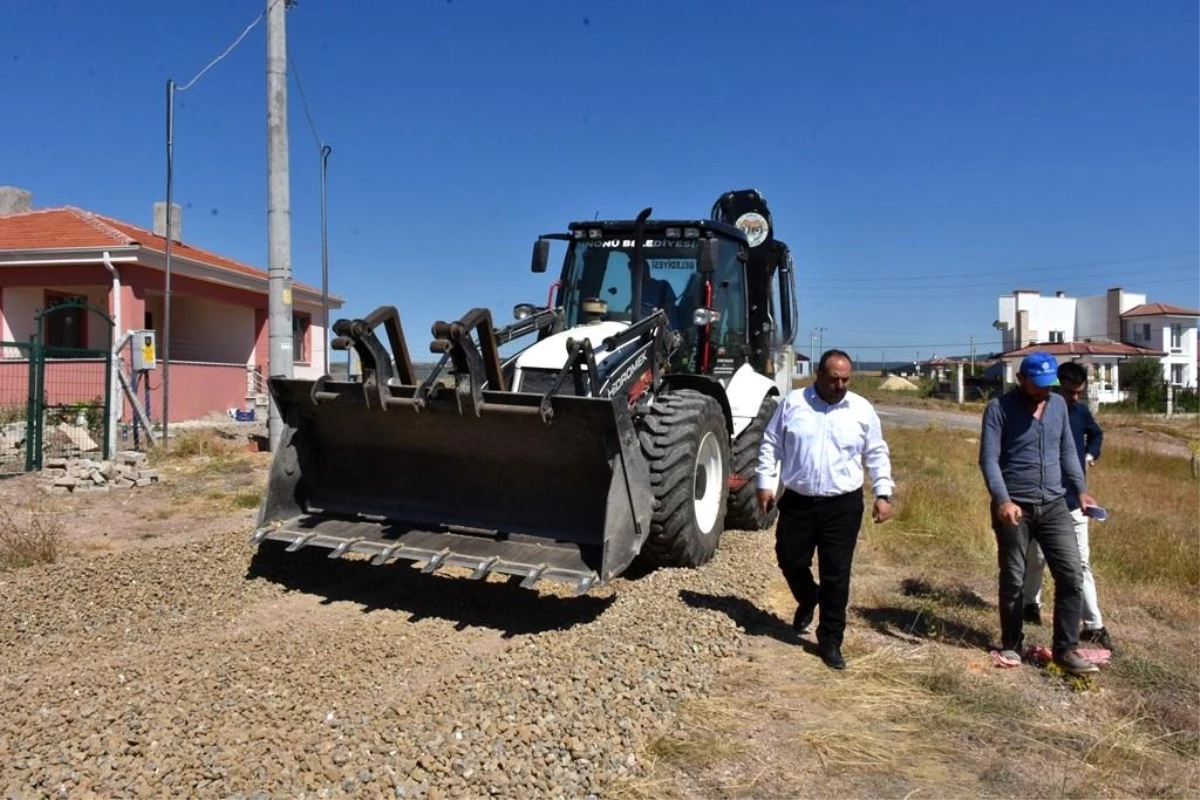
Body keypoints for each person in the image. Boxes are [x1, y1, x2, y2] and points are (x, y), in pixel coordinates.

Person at [755, 349, 895, 670]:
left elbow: (876, 452)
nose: (841, 385)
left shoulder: (861, 409)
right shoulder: (793, 403)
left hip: (842, 505)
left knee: (836, 574)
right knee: (790, 558)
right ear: (819, 375)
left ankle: (830, 639)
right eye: (834, 379)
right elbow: (770, 443)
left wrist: (883, 493)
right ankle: (807, 597)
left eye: (846, 379)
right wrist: (765, 482)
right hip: (799, 500)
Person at [979, 351, 1102, 676]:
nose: (1044, 392)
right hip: (1014, 507)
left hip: (1055, 504)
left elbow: (1066, 452)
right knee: (1014, 577)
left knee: (1071, 574)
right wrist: (1003, 500)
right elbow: (989, 460)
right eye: (1038, 386)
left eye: (1050, 386)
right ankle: (1011, 643)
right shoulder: (999, 409)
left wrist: (1081, 490)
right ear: (1021, 379)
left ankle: (1066, 650)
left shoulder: (1059, 405)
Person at [1022, 361, 1113, 650]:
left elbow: (1096, 435)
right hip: (1043, 501)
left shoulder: (1080, 413)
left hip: (1074, 503)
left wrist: (1090, 454)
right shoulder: (1038, 412)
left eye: (1079, 393)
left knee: (1080, 564)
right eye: (1069, 392)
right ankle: (1029, 604)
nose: (1074, 398)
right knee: (1035, 558)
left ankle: (1094, 625)